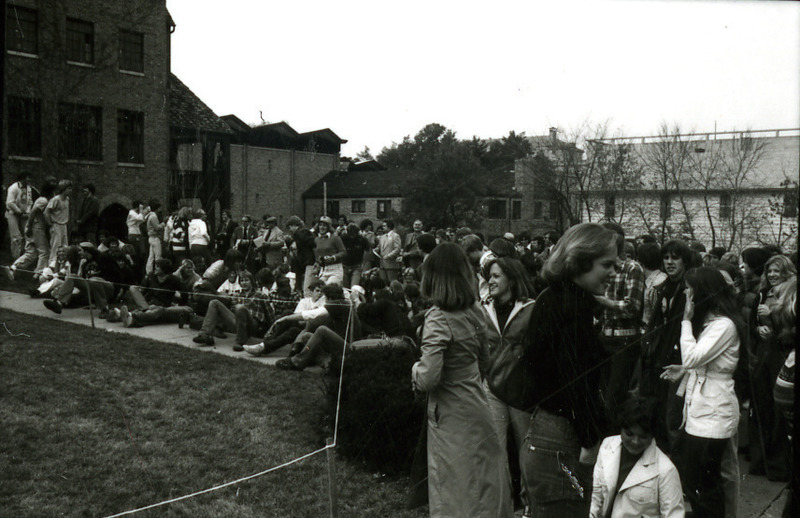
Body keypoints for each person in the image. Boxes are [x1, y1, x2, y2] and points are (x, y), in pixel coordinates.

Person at [521, 222, 617, 516]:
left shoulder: (554, 296)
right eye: (607, 264)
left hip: (545, 431)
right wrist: (591, 439)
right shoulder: (573, 309)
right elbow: (578, 382)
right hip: (563, 440)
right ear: (579, 262)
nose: (614, 272)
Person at [410, 242, 512, 517]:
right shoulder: (475, 310)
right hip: (476, 404)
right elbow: (485, 361)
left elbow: (429, 377)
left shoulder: (438, 318)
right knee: (483, 480)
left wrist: (414, 372)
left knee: (454, 484)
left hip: (450, 412)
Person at [660, 266, 744, 518]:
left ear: (703, 293)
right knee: (698, 478)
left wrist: (686, 320)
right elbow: (698, 361)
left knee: (703, 481)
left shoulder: (724, 326)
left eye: (689, 290)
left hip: (713, 413)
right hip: (702, 410)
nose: (686, 293)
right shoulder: (713, 323)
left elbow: (693, 355)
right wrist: (685, 369)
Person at [481, 256, 537, 516]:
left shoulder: (531, 308)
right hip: (492, 389)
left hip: (521, 391)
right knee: (496, 447)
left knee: (527, 447)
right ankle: (501, 504)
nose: (490, 281)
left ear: (511, 280)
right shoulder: (483, 308)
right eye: (489, 276)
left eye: (496, 276)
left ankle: (529, 506)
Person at [590, 396, 684, 518]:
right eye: (629, 434)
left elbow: (674, 515)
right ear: (621, 429)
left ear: (652, 436)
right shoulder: (607, 446)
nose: (635, 441)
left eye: (643, 436)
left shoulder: (666, 470)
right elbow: (596, 498)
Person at [747, 254, 796, 482]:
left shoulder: (792, 292)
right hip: (764, 354)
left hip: (782, 355)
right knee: (761, 407)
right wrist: (759, 330)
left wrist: (773, 318)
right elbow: (753, 324)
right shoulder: (762, 293)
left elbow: (791, 326)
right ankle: (760, 462)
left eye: (777, 270)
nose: (773, 275)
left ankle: (778, 467)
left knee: (777, 413)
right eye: (770, 271)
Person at [595, 222, 646, 423]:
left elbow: (632, 306)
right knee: (600, 393)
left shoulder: (632, 268)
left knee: (614, 398)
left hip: (624, 341)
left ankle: (614, 439)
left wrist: (604, 302)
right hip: (603, 336)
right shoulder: (599, 266)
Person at [5, 177, 56, 280]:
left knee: (32, 253)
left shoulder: (41, 199)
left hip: (33, 227)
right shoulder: (43, 201)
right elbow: (32, 213)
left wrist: (28, 227)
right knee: (44, 252)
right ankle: (38, 274)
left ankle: (13, 267)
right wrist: (29, 228)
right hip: (36, 228)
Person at [44, 180, 72, 268]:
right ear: (63, 189)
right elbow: (46, 212)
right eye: (69, 188)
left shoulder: (67, 199)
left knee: (65, 248)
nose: (70, 190)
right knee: (55, 248)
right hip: (56, 225)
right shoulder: (56, 199)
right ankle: (51, 268)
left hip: (64, 226)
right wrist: (50, 225)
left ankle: (62, 268)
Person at [5, 171, 32, 259]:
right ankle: (15, 257)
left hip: (24, 215)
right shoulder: (13, 188)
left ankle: (26, 256)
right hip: (13, 214)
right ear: (23, 178)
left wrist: (27, 212)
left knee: (27, 233)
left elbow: (29, 202)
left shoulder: (29, 188)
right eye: (28, 177)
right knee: (16, 237)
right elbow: (10, 203)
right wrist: (19, 212)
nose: (29, 180)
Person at [340, 222, 370, 288]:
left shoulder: (362, 239)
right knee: (345, 288)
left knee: (354, 287)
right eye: (351, 234)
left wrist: (364, 264)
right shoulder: (343, 238)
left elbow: (368, 251)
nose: (352, 236)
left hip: (357, 266)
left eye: (354, 233)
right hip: (344, 266)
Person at [144, 199, 165, 275]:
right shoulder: (153, 216)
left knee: (151, 257)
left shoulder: (149, 215)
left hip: (151, 238)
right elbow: (157, 227)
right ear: (157, 208)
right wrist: (163, 223)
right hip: (154, 238)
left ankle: (148, 272)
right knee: (158, 256)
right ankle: (158, 271)